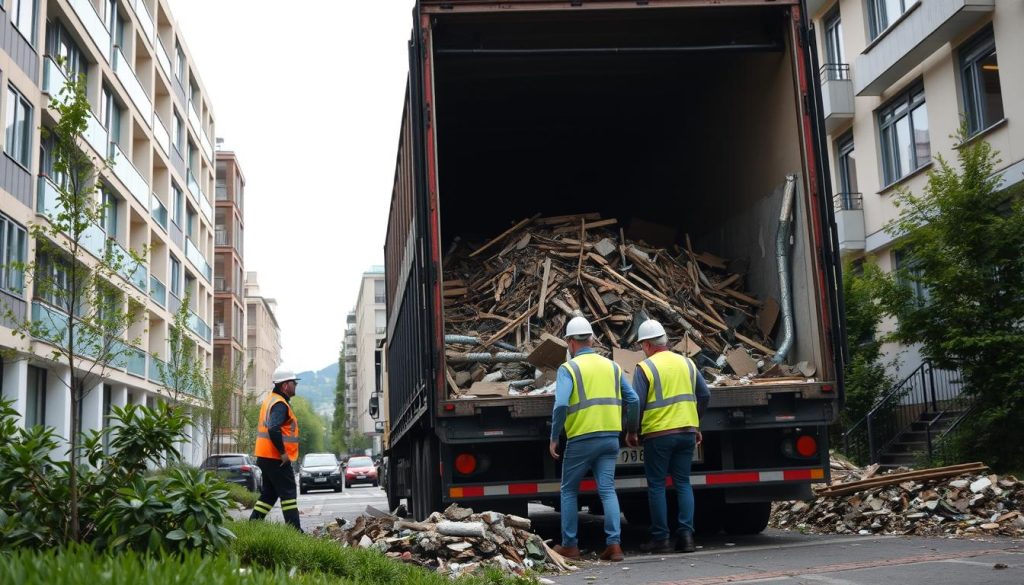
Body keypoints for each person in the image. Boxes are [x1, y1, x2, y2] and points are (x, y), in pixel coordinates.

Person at [550, 316, 639, 562]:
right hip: (611, 437)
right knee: (607, 490)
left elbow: (561, 405)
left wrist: (554, 436)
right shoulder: (611, 366)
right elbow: (633, 399)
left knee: (569, 491)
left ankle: (570, 546)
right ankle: (614, 545)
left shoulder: (568, 369)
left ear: (570, 342)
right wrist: (631, 429)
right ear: (591, 338)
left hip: (581, 438)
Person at [626, 320, 710, 553]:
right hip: (686, 433)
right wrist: (696, 423)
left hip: (658, 434)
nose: (643, 348)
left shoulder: (646, 368)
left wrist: (632, 430)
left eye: (642, 344)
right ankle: (686, 537)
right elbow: (704, 395)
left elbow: (636, 403)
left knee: (657, 485)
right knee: (683, 483)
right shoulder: (688, 363)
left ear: (648, 344)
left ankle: (660, 538)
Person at [249, 370, 303, 531]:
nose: (296, 385)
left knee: (269, 494)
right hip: (276, 458)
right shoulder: (279, 403)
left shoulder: (271, 400)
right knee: (288, 493)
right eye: (294, 383)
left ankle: (253, 525)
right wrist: (283, 453)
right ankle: (295, 532)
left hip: (265, 456)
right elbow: (273, 428)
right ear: (285, 385)